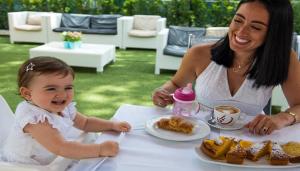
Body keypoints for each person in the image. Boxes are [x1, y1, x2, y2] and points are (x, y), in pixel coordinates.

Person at [152, 0, 300, 135]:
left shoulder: (284, 59)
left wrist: (283, 118)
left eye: (255, 27)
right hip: (196, 135)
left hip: (251, 142)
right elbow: (176, 84)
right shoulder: (199, 54)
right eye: (238, 20)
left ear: (274, 33)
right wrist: (163, 92)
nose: (241, 32)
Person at [2, 56, 131, 165]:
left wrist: (111, 125)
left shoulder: (63, 107)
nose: (62, 94)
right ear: (27, 94)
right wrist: (99, 149)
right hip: (24, 165)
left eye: (68, 87)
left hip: (52, 157)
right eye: (51, 89)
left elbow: (85, 123)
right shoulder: (34, 118)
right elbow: (61, 147)